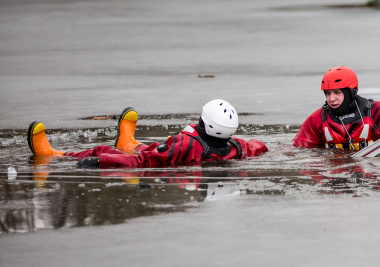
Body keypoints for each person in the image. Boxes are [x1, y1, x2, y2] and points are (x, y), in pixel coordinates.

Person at [27, 99, 268, 168]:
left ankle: (50, 154)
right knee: (149, 148)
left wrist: (101, 161)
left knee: (103, 149)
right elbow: (258, 146)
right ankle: (127, 141)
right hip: (169, 153)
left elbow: (142, 161)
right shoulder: (236, 147)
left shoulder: (187, 146)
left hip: (167, 155)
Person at [293, 66, 380, 151]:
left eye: (337, 93)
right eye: (328, 93)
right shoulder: (316, 120)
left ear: (351, 93)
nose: (331, 99)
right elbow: (297, 149)